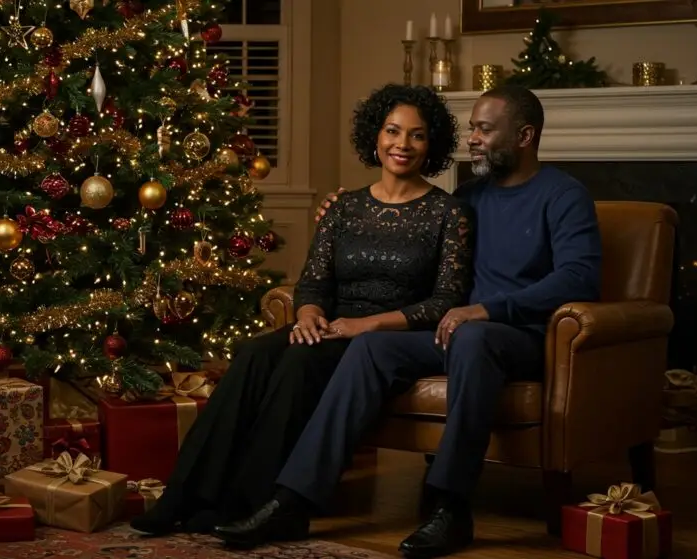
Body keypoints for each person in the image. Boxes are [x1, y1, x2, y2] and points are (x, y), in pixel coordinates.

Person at [212, 85, 603, 558]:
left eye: (484, 129)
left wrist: (486, 310)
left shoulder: (563, 195)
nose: (473, 139)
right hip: (456, 331)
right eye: (472, 128)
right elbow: (423, 246)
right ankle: (295, 498)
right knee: (371, 346)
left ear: (524, 135)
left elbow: (580, 278)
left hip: (523, 337)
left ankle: (450, 505)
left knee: (473, 338)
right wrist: (343, 213)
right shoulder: (469, 199)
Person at [129, 84, 474, 537]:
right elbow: (313, 281)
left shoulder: (449, 213)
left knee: (299, 360)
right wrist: (309, 314)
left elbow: (445, 301)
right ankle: (182, 497)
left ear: (433, 145)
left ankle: (254, 504)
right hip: (332, 323)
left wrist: (363, 325)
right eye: (393, 131)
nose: (402, 145)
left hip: (388, 336)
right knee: (255, 353)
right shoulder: (344, 206)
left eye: (417, 135)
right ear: (375, 136)